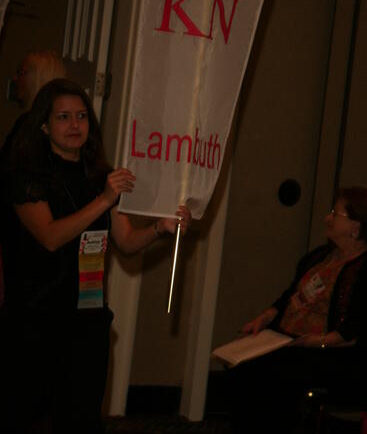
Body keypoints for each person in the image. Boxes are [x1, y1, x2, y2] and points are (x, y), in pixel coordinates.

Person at [0, 78, 191, 434]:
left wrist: (159, 230)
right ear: (44, 125)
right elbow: (51, 238)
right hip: (36, 320)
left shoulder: (100, 176)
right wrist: (104, 200)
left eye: (82, 116)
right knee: (24, 417)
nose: (75, 125)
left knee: (82, 420)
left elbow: (127, 242)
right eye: (63, 117)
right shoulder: (26, 178)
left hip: (87, 320)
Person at [228, 187, 367, 434]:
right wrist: (264, 318)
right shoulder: (320, 256)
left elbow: (351, 330)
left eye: (335, 214)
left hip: (330, 351)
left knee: (272, 373)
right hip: (288, 339)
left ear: (356, 227)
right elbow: (288, 297)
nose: (327, 218)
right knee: (242, 363)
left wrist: (315, 342)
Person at [0, 50, 67, 309]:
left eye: (22, 72)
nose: (16, 79)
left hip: (23, 242)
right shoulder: (31, 129)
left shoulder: (29, 133)